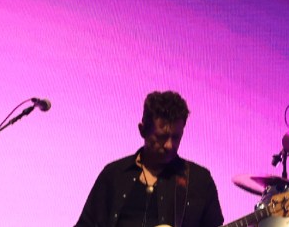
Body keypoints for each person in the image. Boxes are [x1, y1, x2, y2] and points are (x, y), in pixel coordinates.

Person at [76, 91, 223, 227]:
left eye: (176, 137)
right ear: (142, 130)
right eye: (161, 137)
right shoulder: (114, 174)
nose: (169, 145)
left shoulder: (199, 180)